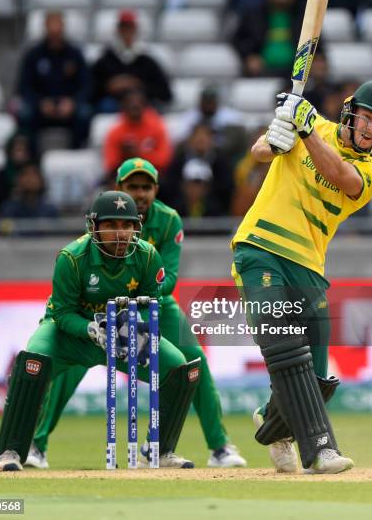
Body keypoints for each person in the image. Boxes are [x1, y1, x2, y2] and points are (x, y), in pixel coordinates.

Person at [26, 159, 246, 469]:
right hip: (101, 303)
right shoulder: (105, 216)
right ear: (120, 189)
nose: (140, 194)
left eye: (146, 187)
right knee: (73, 362)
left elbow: (167, 279)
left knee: (193, 361)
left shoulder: (169, 220)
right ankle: (37, 444)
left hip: (154, 302)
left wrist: (135, 300)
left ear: (156, 189)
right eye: (132, 187)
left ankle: (218, 446)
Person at [231, 80, 372, 473]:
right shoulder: (314, 127)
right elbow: (259, 152)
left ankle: (274, 424)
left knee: (320, 378)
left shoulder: (369, 174)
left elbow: (341, 176)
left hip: (307, 265)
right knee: (279, 331)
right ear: (351, 111)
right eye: (368, 117)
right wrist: (276, 137)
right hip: (260, 247)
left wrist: (304, 130)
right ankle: (320, 450)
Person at [0, 190, 201, 471]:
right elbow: (62, 313)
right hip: (71, 336)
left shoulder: (148, 256)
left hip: (123, 337)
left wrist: (132, 326)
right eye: (112, 225)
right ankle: (11, 451)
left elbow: (154, 303)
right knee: (33, 360)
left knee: (180, 368)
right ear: (94, 227)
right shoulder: (72, 258)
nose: (121, 233)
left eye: (127, 225)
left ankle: (159, 450)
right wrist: (92, 328)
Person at [15, 11, 90, 151]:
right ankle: (32, 158)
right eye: (51, 25)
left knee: (84, 113)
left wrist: (72, 102)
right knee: (25, 114)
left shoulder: (75, 54)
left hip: (68, 107)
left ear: (63, 26)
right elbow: (23, 86)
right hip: (42, 107)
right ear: (45, 26)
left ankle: (77, 153)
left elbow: (86, 85)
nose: (55, 29)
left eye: (58, 25)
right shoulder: (33, 55)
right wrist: (39, 103)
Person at [90, 10, 172, 113]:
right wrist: (108, 86)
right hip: (113, 107)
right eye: (124, 28)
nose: (127, 32)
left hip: (142, 106)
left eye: (130, 28)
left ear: (135, 30)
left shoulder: (147, 61)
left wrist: (138, 85)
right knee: (106, 106)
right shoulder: (104, 61)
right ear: (118, 30)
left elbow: (165, 93)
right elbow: (91, 91)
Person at [103, 88, 172, 175]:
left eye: (139, 101)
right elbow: (111, 164)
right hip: (124, 175)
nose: (134, 104)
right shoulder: (116, 132)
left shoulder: (157, 127)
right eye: (130, 101)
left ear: (145, 105)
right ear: (123, 105)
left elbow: (164, 160)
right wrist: (126, 157)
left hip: (153, 175)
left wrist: (138, 155)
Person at [0, 131, 38, 217]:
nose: (20, 154)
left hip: (30, 212)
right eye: (17, 150)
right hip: (5, 214)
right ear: (10, 152)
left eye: (23, 150)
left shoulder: (34, 173)